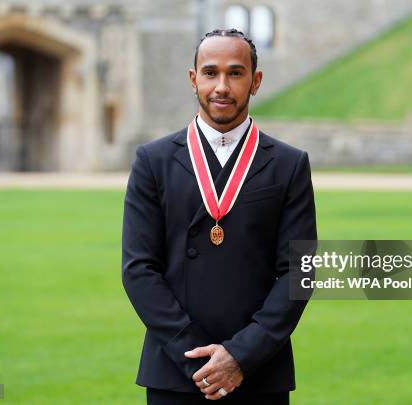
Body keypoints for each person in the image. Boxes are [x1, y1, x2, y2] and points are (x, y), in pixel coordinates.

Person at [122, 28, 317, 404]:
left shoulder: (289, 165)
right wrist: (197, 357)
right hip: (176, 372)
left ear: (255, 81)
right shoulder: (153, 161)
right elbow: (138, 269)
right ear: (193, 80)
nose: (222, 86)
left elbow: (300, 270)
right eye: (210, 73)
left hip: (260, 373)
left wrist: (242, 355)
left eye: (235, 73)